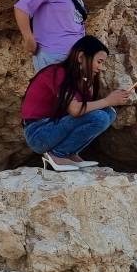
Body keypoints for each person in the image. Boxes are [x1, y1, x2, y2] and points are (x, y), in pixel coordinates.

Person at [20, 35, 131, 171]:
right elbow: (75, 110)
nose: (101, 68)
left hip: (54, 128)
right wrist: (108, 100)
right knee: (100, 117)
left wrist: (111, 102)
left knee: (109, 113)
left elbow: (85, 115)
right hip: (38, 132)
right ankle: (57, 155)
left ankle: (69, 153)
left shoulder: (80, 81)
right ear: (81, 57)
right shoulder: (58, 73)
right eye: (99, 62)